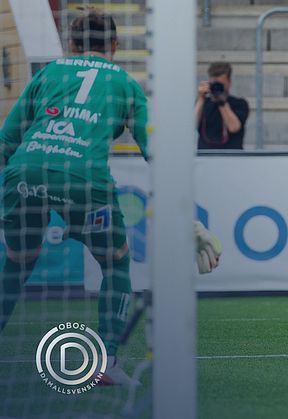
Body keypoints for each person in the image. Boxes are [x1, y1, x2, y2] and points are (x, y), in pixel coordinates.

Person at [0, 10, 220, 385]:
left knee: (18, 262)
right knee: (115, 262)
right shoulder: (127, 86)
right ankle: (105, 360)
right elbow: (159, 156)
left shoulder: (48, 74)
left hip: (25, 172)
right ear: (115, 46)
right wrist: (189, 220)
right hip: (84, 180)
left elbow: (7, 141)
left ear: (71, 46)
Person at [195, 62, 249, 150]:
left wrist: (222, 103)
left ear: (229, 82)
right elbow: (190, 127)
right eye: (214, 84)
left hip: (232, 158)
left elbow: (233, 128)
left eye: (221, 84)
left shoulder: (239, 104)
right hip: (205, 158)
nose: (217, 87)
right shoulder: (203, 103)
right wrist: (201, 97)